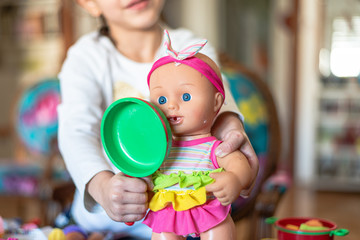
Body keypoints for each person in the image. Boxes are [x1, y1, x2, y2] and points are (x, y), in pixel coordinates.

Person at [57, 0, 258, 238]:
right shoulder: (85, 56)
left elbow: (222, 106)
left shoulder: (190, 46)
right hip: (99, 223)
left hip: (189, 223)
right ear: (89, 3)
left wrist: (232, 136)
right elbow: (76, 132)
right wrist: (102, 187)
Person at [142, 30, 252, 239]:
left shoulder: (214, 147)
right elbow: (143, 171)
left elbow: (239, 163)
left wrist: (235, 179)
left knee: (219, 231)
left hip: (207, 208)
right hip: (169, 210)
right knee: (163, 235)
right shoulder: (159, 149)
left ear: (217, 103)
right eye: (162, 100)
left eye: (185, 96)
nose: (172, 105)